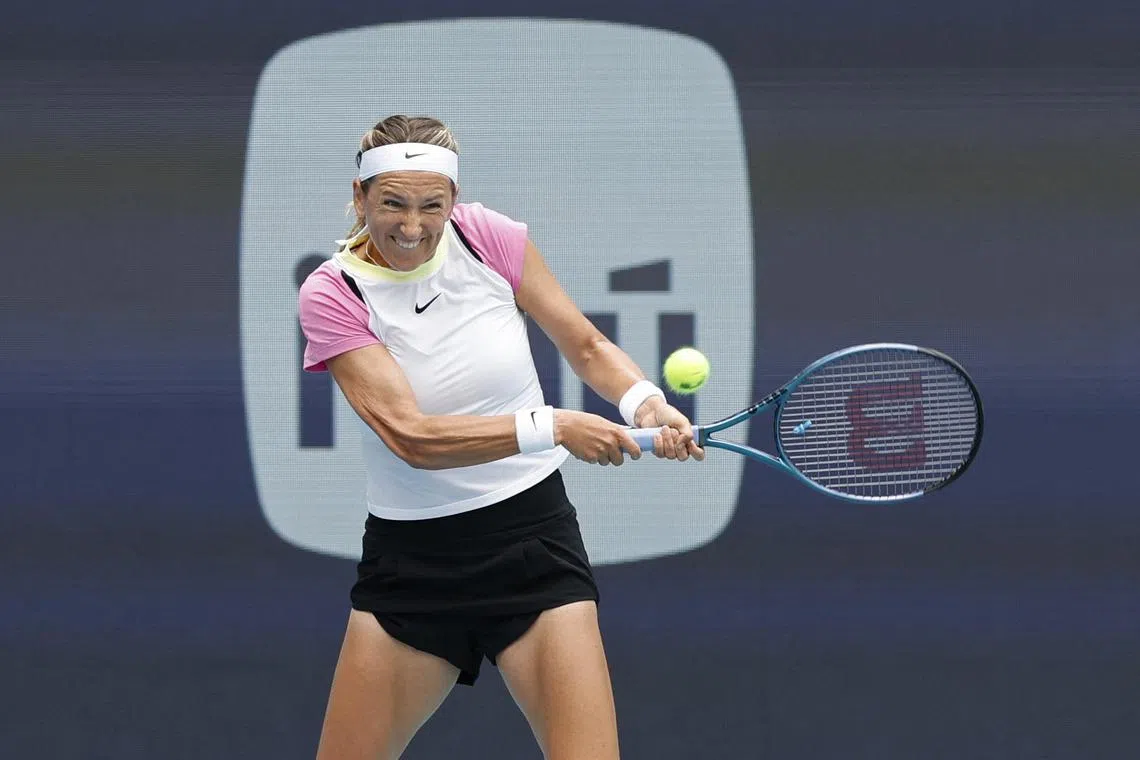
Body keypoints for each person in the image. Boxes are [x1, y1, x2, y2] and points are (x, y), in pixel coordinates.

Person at [298, 114, 704, 760]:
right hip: (412, 565)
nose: (412, 227)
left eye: (432, 205)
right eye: (392, 204)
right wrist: (555, 426)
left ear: (454, 200)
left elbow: (585, 344)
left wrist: (646, 402)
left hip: (531, 545)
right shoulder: (333, 293)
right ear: (359, 197)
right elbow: (412, 438)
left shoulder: (489, 238)